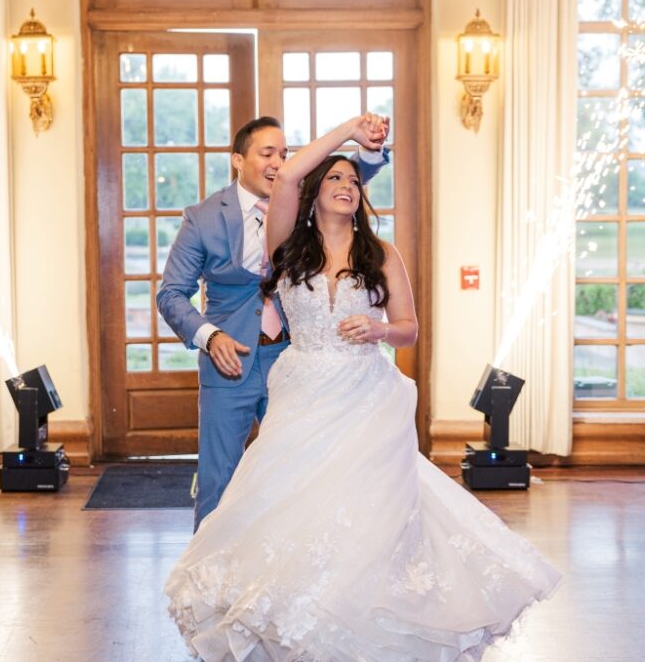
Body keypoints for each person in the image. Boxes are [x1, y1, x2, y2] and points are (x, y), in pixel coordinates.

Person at [164, 115, 561, 661]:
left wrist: (378, 330)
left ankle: (362, 608)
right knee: (285, 497)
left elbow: (408, 327)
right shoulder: (287, 247)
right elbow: (291, 176)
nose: (348, 186)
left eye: (354, 181)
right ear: (311, 194)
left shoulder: (382, 253)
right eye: (336, 179)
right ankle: (281, 604)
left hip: (366, 392)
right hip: (304, 389)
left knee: (366, 503)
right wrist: (349, 130)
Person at [157, 115, 390, 531]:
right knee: (219, 478)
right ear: (237, 160)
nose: (278, 163)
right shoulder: (203, 217)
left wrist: (370, 147)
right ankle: (207, 580)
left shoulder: (299, 201)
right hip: (230, 363)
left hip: (295, 361)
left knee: (298, 475)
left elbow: (349, 176)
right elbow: (171, 293)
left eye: (284, 154)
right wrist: (211, 338)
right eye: (267, 153)